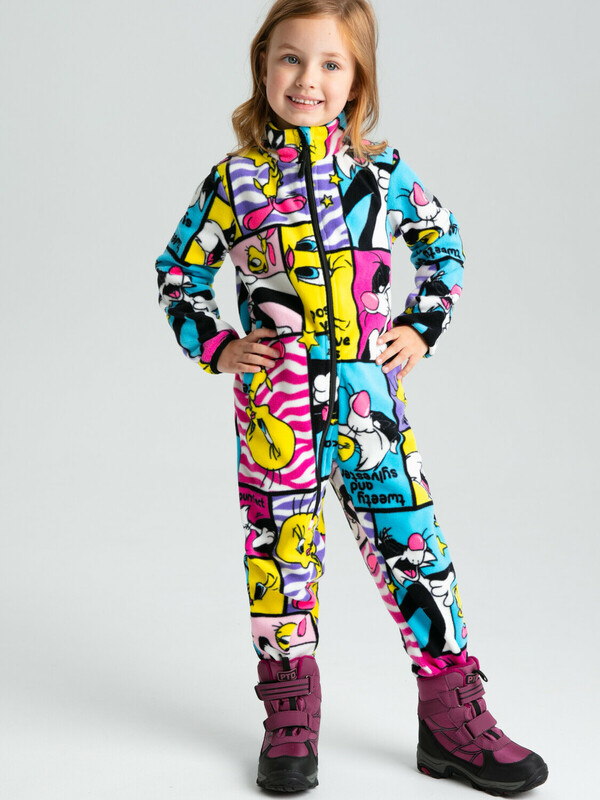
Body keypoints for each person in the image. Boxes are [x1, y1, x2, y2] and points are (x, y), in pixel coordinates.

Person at [155, 0, 548, 794]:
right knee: (280, 558)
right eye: (291, 58)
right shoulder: (234, 182)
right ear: (264, 66)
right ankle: (290, 719)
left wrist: (421, 327)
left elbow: (443, 244)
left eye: (331, 63)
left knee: (417, 549)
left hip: (372, 405)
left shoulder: (383, 172)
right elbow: (178, 273)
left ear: (357, 80)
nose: (309, 79)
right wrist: (219, 347)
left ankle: (452, 721)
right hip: (277, 411)